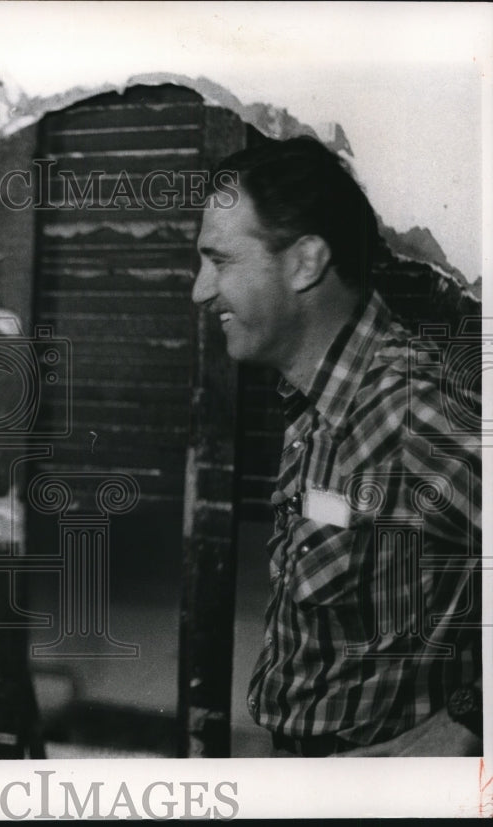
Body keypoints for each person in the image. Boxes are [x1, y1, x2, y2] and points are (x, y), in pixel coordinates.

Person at [193, 137, 482, 757]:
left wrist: (464, 729)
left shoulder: (409, 411)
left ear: (305, 262)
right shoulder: (314, 401)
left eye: (219, 262)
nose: (199, 291)